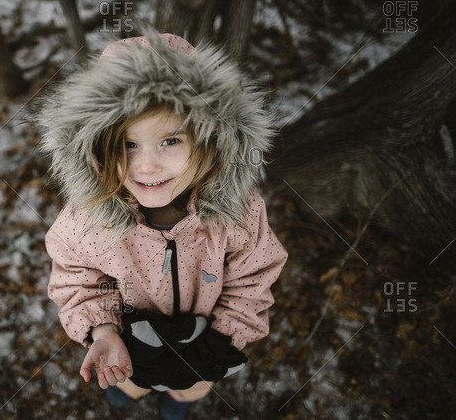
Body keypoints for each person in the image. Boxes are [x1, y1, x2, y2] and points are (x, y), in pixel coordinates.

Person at [36, 28, 288, 420]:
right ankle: (127, 397)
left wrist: (222, 340)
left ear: (210, 140)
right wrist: (103, 329)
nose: (147, 166)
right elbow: (75, 276)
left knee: (189, 389)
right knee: (128, 383)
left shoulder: (237, 212)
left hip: (204, 340)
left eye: (170, 140)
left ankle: (176, 405)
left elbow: (254, 276)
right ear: (97, 148)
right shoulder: (89, 218)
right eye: (127, 144)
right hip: (130, 345)